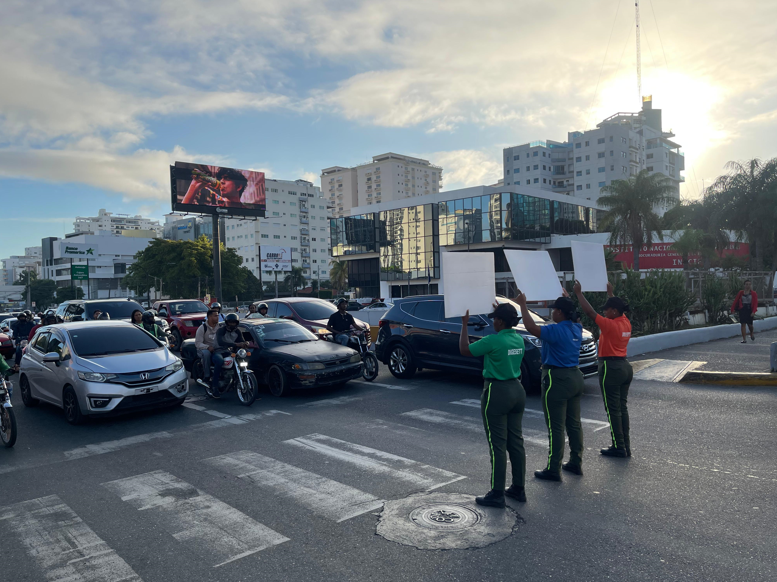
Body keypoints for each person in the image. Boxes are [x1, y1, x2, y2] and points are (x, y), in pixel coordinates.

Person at [459, 303, 527, 508]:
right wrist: (503, 310)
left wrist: (464, 325)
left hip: (497, 392)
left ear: (501, 321)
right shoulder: (519, 339)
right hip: (517, 390)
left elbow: (465, 349)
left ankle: (497, 492)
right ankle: (518, 488)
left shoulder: (493, 341)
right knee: (515, 442)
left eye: (495, 318)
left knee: (497, 444)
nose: (492, 321)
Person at [515, 292, 585, 481]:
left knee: (556, 426)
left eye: (555, 309)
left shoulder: (555, 330)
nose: (552, 312)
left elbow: (530, 327)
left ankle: (554, 468)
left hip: (557, 378)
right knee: (574, 423)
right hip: (575, 376)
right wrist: (569, 298)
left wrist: (523, 305)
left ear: (560, 312)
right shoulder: (576, 328)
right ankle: (576, 461)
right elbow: (574, 317)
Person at [574, 280, 633, 458]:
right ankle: (625, 445)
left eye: (607, 309)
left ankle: (619, 446)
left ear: (614, 311)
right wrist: (611, 294)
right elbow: (617, 308)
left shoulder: (610, 325)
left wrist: (578, 293)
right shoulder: (625, 322)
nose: (604, 312)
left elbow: (590, 312)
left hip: (610, 367)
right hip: (624, 366)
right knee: (622, 408)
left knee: (612, 409)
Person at [212, 313, 249, 398]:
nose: (232, 324)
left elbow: (241, 340)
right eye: (230, 322)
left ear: (237, 323)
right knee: (220, 361)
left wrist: (245, 343)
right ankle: (215, 387)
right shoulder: (221, 330)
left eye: (234, 322)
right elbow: (221, 342)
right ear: (227, 322)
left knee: (242, 359)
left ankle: (248, 385)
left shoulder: (237, 331)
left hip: (229, 352)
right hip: (218, 351)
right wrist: (236, 344)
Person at [181, 167, 248, 208]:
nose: (221, 181)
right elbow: (183, 208)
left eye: (226, 178)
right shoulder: (216, 210)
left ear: (239, 187)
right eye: (220, 179)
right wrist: (194, 187)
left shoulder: (248, 212)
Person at [195, 309, 221, 388]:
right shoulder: (202, 328)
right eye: (215, 316)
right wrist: (207, 347)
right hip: (203, 349)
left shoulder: (220, 327)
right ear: (209, 317)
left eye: (218, 315)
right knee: (206, 354)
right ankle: (207, 376)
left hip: (217, 349)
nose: (218, 317)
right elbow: (198, 343)